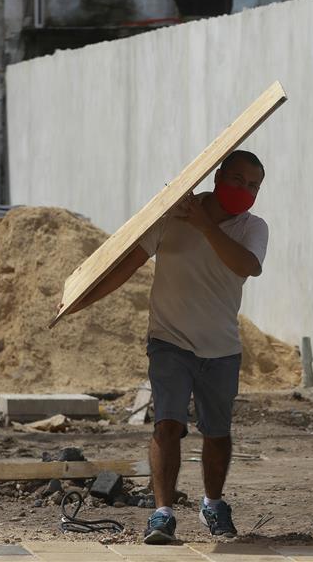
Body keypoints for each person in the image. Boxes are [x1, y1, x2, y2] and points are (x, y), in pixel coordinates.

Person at [60, 150, 268, 544]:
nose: (245, 190)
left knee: (217, 433)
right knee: (167, 424)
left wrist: (207, 226)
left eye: (254, 185)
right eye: (238, 179)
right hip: (169, 341)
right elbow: (126, 266)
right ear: (219, 175)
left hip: (221, 349)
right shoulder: (173, 217)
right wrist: (79, 302)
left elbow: (247, 266)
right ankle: (162, 514)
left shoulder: (252, 227)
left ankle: (213, 504)